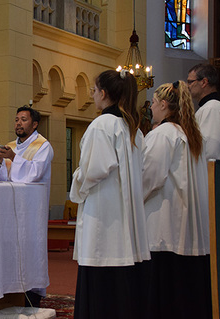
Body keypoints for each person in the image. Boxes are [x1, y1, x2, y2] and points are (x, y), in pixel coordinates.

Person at [69, 70, 150, 319]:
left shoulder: (102, 125)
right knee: (122, 287)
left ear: (103, 94)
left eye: (93, 91)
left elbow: (95, 170)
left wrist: (77, 179)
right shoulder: (131, 126)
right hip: (125, 216)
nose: (92, 95)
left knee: (101, 277)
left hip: (104, 216)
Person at [142, 81, 211, 318]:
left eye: (153, 103)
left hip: (165, 226)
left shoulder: (162, 134)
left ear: (163, 104)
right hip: (190, 228)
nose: (150, 108)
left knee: (164, 298)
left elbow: (149, 177)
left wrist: (131, 199)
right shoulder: (191, 135)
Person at [0, 106, 54, 307]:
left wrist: (14, 158)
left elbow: (34, 174)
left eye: (23, 120)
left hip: (32, 209)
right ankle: (11, 290)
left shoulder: (43, 146)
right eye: (16, 119)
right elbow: (0, 178)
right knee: (10, 246)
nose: (18, 123)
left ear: (34, 124)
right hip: (10, 207)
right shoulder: (9, 146)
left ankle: (33, 293)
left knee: (31, 247)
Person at [187, 63, 220, 160]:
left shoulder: (212, 108)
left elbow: (208, 150)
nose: (187, 86)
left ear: (204, 82)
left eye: (190, 82)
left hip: (212, 173)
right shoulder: (208, 107)